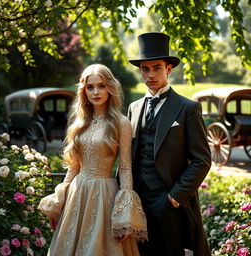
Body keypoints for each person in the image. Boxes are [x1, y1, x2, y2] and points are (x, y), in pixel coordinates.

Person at [38, 64, 147, 256]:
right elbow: (73, 167)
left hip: (104, 195)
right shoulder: (79, 123)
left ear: (110, 88)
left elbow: (125, 169)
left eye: (101, 86)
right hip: (76, 195)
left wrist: (125, 218)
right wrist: (59, 201)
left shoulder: (121, 123)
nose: (96, 92)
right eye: (90, 87)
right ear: (84, 90)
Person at [127, 32, 212, 256]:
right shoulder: (133, 108)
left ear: (168, 69)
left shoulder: (187, 108)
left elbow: (202, 160)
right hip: (137, 203)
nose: (150, 74)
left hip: (168, 203)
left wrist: (174, 197)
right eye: (145, 69)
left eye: (156, 68)